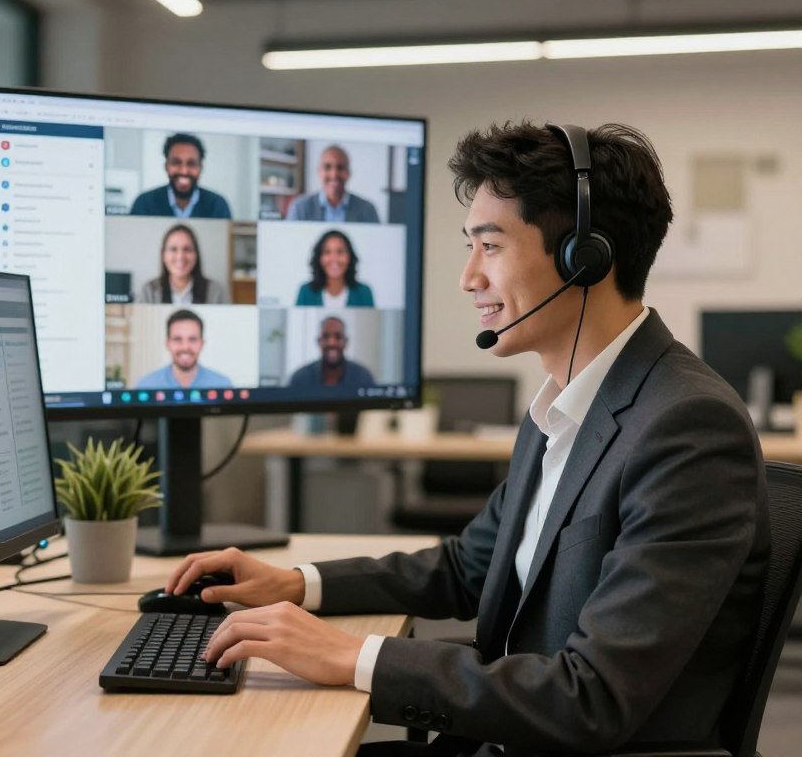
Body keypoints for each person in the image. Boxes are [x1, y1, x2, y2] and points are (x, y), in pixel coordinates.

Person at [165, 122, 770, 756]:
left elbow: (593, 698)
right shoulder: (565, 408)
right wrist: (297, 584)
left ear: (584, 256)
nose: (468, 277)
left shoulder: (687, 429)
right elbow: (468, 566)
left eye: (491, 245)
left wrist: (354, 656)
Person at [130, 133, 232, 218]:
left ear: (201, 168)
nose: (184, 171)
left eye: (191, 164)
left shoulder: (217, 205)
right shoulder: (144, 203)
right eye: (176, 162)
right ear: (166, 166)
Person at [135, 309, 231, 389]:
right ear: (167, 343)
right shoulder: (146, 386)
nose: (185, 347)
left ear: (202, 344)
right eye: (177, 339)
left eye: (192, 339)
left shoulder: (223, 385)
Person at [286, 145, 380, 223]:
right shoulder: (300, 208)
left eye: (340, 167)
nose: (334, 174)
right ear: (319, 171)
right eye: (327, 167)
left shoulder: (367, 210)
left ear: (348, 172)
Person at [139, 224, 227, 304]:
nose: (180, 256)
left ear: (196, 255)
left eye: (187, 249)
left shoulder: (215, 291)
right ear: (163, 255)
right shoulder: (149, 290)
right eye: (173, 249)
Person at [289, 316, 376, 390]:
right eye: (326, 337)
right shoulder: (300, 378)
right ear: (319, 342)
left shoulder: (363, 377)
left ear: (346, 342)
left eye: (338, 337)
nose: (331, 343)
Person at [295, 229, 374, 307]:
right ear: (319, 258)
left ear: (349, 257)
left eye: (340, 252)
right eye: (327, 252)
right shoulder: (306, 291)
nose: (334, 258)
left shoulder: (364, 293)